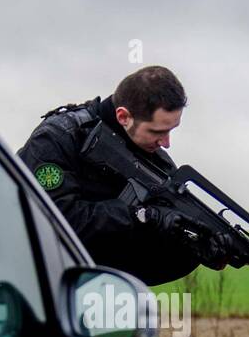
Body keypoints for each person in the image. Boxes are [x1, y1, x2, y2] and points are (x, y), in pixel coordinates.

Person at [17, 66, 236, 286]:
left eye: (171, 130)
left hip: (92, 293)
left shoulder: (155, 162)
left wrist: (193, 251)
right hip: (28, 286)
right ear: (123, 116)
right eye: (157, 131)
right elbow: (52, 222)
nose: (166, 143)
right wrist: (142, 216)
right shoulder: (57, 139)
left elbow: (136, 262)